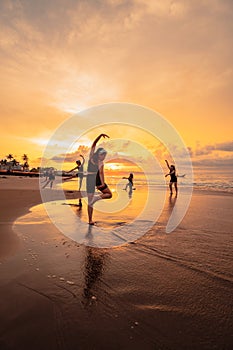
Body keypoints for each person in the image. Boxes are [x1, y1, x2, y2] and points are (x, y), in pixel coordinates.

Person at [86, 134, 112, 225]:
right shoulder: (97, 160)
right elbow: (101, 173)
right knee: (108, 194)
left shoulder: (93, 158)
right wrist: (102, 183)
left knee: (92, 201)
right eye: (103, 155)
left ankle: (90, 220)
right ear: (99, 154)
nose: (104, 157)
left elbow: (94, 143)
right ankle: (90, 219)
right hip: (94, 179)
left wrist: (100, 136)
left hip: (90, 179)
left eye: (105, 156)